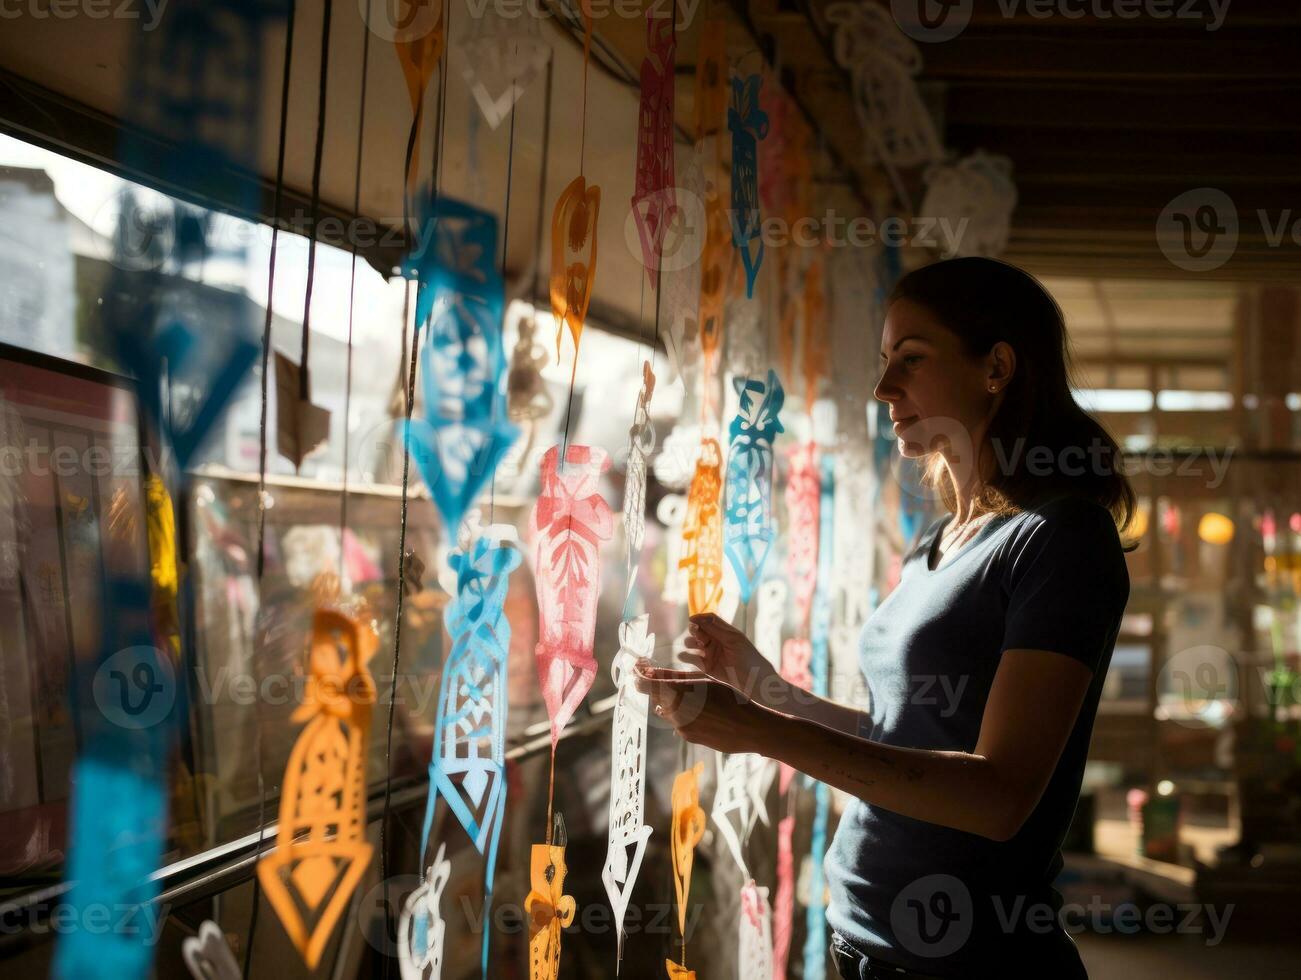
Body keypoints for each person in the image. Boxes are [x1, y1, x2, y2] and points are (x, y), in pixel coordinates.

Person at [636, 257, 1136, 979]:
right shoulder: (939, 541)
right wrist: (767, 692)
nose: (881, 389)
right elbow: (904, 740)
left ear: (995, 367)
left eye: (911, 360)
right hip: (866, 941)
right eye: (882, 362)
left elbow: (996, 796)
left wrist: (762, 733)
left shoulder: (1059, 538)